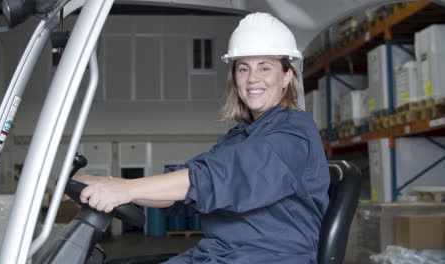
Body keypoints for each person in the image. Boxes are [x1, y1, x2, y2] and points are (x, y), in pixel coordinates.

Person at [74, 12, 330, 264]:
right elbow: (186, 194)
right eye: (243, 68)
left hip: (269, 257)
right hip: (219, 255)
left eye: (265, 67)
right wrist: (106, 183)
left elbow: (217, 178)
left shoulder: (293, 131)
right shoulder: (240, 136)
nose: (253, 78)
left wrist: (126, 189)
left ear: (286, 76)